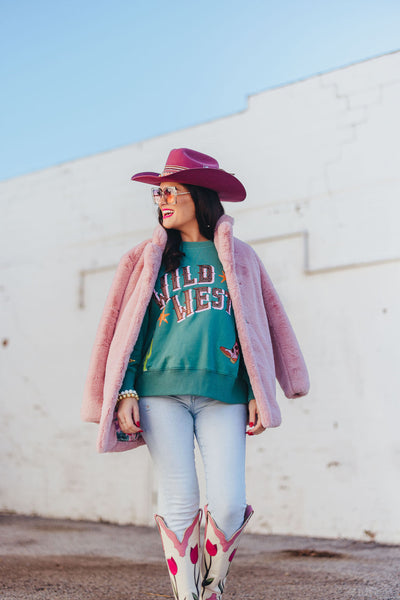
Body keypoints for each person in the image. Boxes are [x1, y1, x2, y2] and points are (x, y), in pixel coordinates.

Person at [81, 147, 310, 600]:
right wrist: (124, 388)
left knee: (227, 504)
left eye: (170, 191)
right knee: (179, 500)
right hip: (157, 393)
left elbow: (266, 322)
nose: (161, 201)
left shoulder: (240, 258)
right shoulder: (145, 258)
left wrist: (260, 389)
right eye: (157, 194)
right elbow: (124, 327)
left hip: (224, 393)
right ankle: (193, 598)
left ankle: (211, 588)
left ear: (200, 196)